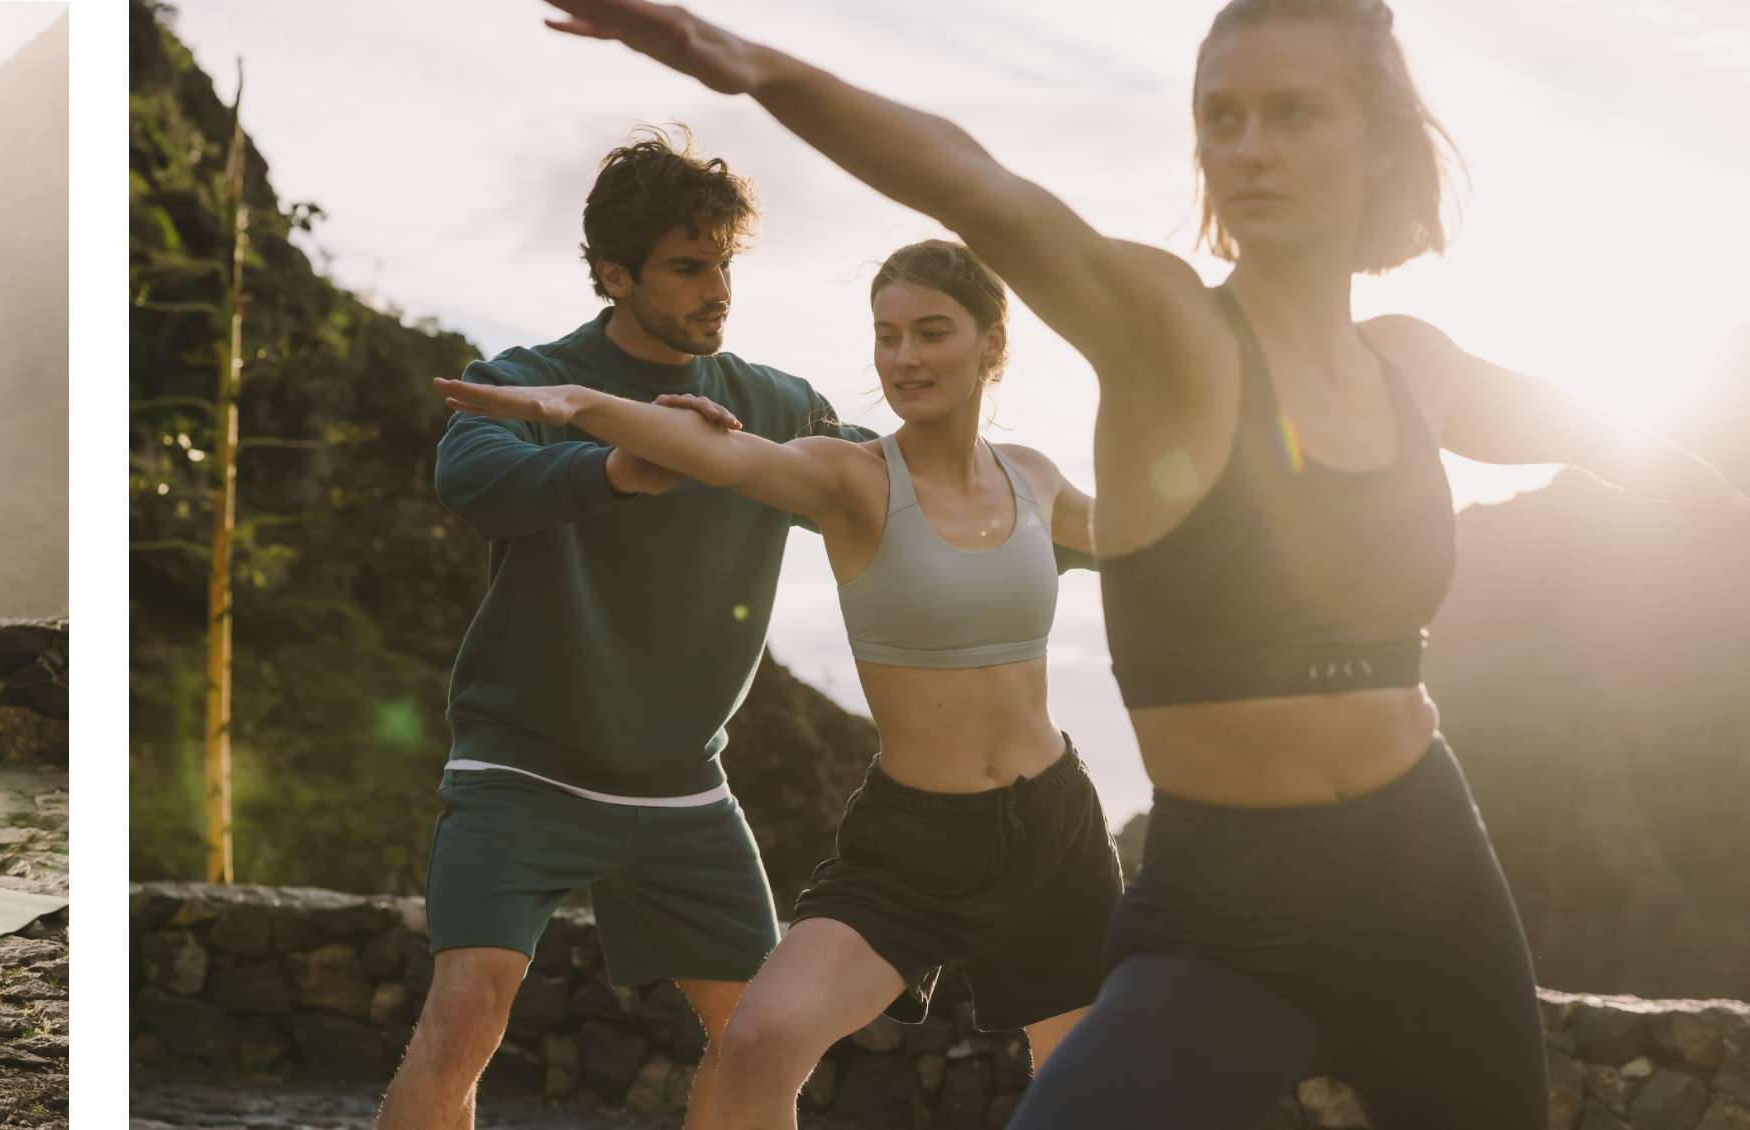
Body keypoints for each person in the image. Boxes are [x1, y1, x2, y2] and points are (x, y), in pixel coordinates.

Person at [540, 0, 1750, 1124]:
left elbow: (1619, 443)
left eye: (1293, 112)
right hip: (1227, 910)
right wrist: (747, 64)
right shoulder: (1167, 326)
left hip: (1431, 880)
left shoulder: (1413, 365)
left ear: (1376, 144)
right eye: (1221, 117)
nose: (1250, 146)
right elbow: (980, 186)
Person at [438, 238, 1116, 1128]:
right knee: (760, 1038)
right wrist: (585, 405)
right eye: (887, 336)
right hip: (916, 839)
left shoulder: (1034, 477)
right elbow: (727, 458)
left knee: (1085, 1085)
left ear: (992, 344)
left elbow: (1162, 546)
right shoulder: (851, 477)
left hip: (1053, 830)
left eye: (932, 333)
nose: (904, 358)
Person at [384, 126, 875, 1130]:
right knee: (464, 1015)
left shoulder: (777, 404)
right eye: (688, 267)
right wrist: (613, 466)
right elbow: (471, 476)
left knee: (758, 1041)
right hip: (523, 768)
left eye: (724, 263)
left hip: (683, 786)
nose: (717, 289)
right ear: (615, 271)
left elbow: (886, 483)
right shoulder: (530, 376)